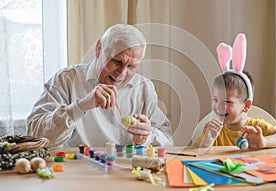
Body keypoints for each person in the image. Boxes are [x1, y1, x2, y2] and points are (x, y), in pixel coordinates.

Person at [27, 24, 174, 149]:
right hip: (76, 174)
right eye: (117, 62)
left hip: (126, 174)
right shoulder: (65, 80)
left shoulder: (143, 88)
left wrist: (146, 137)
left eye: (132, 66)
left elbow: (168, 142)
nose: (122, 73)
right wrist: (80, 107)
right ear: (98, 49)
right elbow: (34, 136)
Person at [194, 33, 276, 149]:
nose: (218, 106)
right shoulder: (213, 131)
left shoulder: (256, 127)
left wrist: (264, 142)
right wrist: (206, 142)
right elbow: (193, 154)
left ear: (246, 105)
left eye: (227, 102)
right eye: (215, 100)